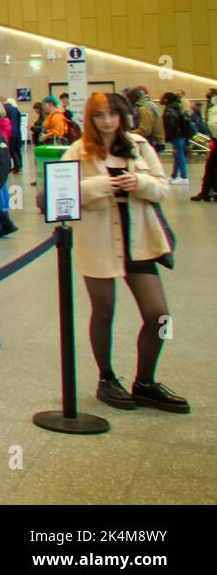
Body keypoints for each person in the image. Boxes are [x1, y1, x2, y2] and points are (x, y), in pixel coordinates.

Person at [62, 93, 188, 413]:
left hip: (140, 242)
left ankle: (145, 382)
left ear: (123, 116)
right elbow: (62, 196)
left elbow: (162, 187)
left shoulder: (139, 146)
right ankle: (106, 378)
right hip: (99, 242)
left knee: (158, 314)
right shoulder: (78, 150)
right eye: (100, 115)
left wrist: (139, 182)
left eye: (113, 114)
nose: (107, 121)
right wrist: (103, 185)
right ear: (90, 118)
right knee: (103, 311)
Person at [160, 92, 190, 185]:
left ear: (167, 100)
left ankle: (184, 177)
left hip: (176, 135)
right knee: (177, 155)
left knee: (179, 155)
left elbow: (171, 125)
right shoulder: (176, 107)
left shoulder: (169, 110)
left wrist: (169, 136)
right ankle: (174, 176)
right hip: (180, 134)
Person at [193, 88, 217, 202]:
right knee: (211, 167)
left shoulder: (214, 108)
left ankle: (206, 191)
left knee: (211, 167)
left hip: (215, 141)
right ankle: (207, 191)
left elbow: (212, 124)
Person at [128, 88, 165, 152]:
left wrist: (128, 134)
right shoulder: (150, 104)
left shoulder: (143, 107)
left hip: (153, 141)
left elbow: (145, 130)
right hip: (157, 139)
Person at [4, 97, 24, 174]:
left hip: (11, 132)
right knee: (17, 149)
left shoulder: (7, 109)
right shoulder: (16, 110)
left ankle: (17, 167)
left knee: (12, 150)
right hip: (17, 132)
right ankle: (19, 166)